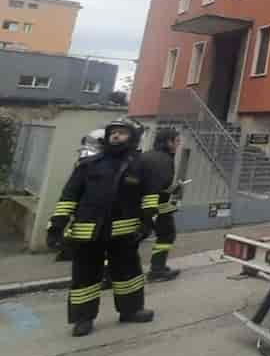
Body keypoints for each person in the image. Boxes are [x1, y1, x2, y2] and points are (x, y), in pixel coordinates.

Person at [46, 118, 157, 337]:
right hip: (88, 233)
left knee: (128, 274)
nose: (116, 136)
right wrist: (56, 226)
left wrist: (146, 223)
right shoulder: (88, 165)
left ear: (132, 138)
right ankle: (83, 319)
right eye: (113, 133)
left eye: (121, 133)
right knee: (84, 276)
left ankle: (131, 310)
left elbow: (150, 197)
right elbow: (69, 196)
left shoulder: (141, 166)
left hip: (124, 233)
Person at [142, 127, 181, 282]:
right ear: (168, 142)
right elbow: (154, 187)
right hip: (152, 207)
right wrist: (149, 215)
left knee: (165, 234)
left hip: (150, 205)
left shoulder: (149, 156)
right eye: (177, 141)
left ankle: (158, 268)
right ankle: (157, 270)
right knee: (166, 235)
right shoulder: (164, 160)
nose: (178, 144)